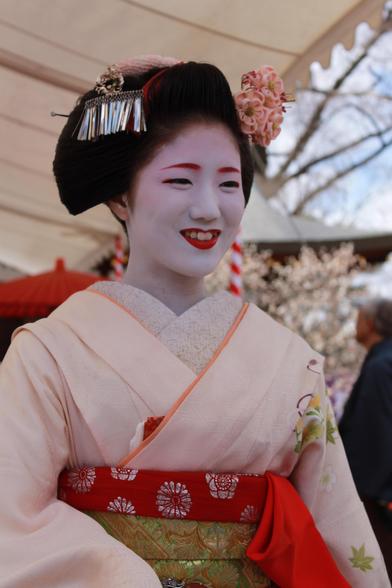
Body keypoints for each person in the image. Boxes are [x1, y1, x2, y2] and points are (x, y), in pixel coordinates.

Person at [0, 56, 389, 588]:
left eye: (229, 184)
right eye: (181, 180)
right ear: (120, 195)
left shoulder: (287, 360)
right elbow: (12, 521)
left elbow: (339, 531)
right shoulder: (48, 352)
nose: (209, 208)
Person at [339, 297, 392, 581]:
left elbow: (375, 437)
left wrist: (358, 495)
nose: (355, 324)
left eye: (359, 317)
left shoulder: (380, 367)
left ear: (370, 324)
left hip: (378, 498)